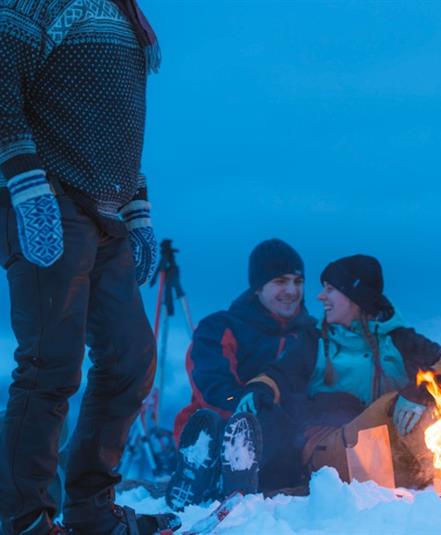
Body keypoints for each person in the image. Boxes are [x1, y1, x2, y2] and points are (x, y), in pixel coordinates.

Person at [0, 1, 178, 533]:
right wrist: (26, 184)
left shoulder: (127, 16)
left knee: (130, 360)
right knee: (51, 363)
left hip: (106, 213)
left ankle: (91, 511)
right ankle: (24, 519)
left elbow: (114, 127)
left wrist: (137, 208)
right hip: (46, 197)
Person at [252, 254, 441, 490]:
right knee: (390, 406)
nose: (320, 296)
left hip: (392, 456)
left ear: (355, 296)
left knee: (439, 409)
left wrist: (428, 388)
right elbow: (276, 377)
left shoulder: (397, 339)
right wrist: (259, 390)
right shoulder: (313, 342)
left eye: (330, 289)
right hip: (329, 452)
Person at [166, 239, 317, 510]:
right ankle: (206, 466)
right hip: (224, 422)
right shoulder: (221, 327)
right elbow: (211, 385)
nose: (292, 291)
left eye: (298, 282)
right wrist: (251, 407)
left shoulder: (309, 336)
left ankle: (235, 477)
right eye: (280, 282)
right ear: (258, 287)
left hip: (287, 436)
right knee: (239, 421)